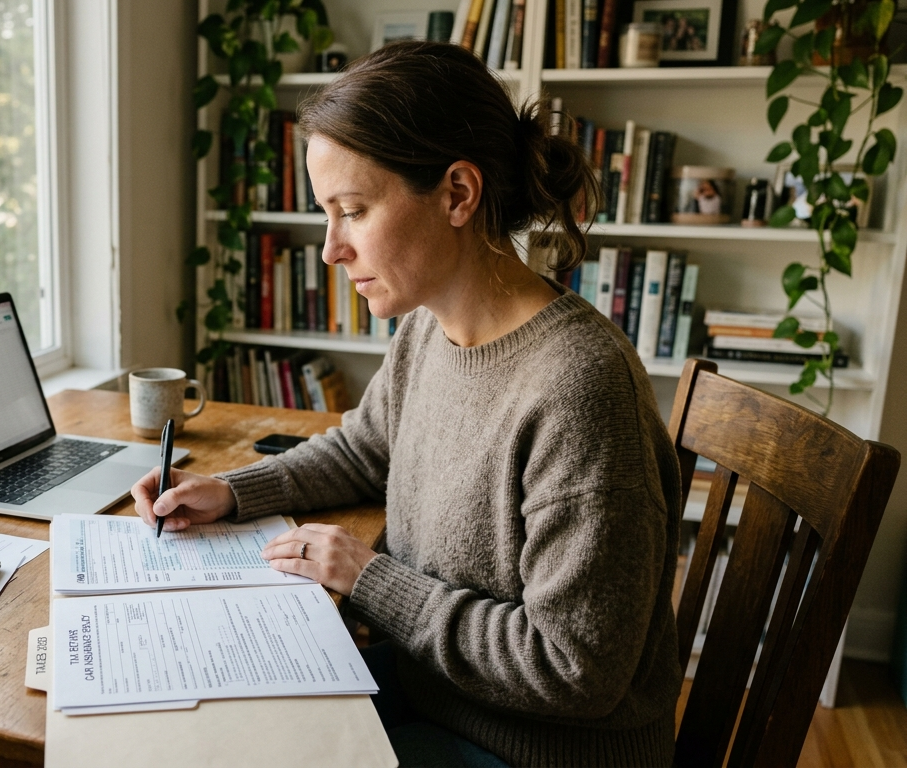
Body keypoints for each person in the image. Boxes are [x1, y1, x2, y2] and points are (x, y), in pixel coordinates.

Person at [133, 41, 682, 767]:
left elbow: (573, 669)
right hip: (440, 696)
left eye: (352, 211)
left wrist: (368, 580)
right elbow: (365, 448)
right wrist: (230, 492)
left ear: (457, 193)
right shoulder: (431, 327)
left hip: (537, 748)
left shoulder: (578, 387)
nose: (331, 250)